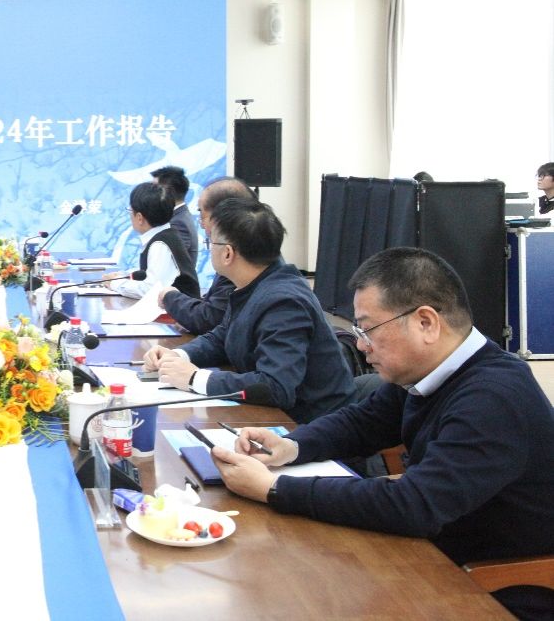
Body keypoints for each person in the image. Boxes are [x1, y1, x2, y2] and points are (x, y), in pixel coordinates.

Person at [211, 247, 554, 621]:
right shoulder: (432, 371)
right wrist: (291, 445)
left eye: (367, 329)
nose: (361, 345)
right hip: (432, 551)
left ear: (426, 322)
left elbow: (415, 505)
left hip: (497, 585)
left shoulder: (493, 397)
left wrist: (273, 488)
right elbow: (364, 422)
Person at [143, 197, 355, 423]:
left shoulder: (284, 302)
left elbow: (276, 386)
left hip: (311, 425)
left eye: (210, 242)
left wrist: (195, 378)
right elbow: (222, 337)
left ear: (227, 253)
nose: (209, 248)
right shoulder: (254, 284)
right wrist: (178, 355)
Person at [156, 177, 256, 334]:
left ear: (224, 216)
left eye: (201, 214)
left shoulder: (242, 259)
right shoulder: (240, 248)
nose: (201, 224)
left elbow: (209, 320)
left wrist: (170, 297)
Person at [108, 183, 199, 300]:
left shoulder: (160, 244)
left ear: (139, 218)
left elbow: (150, 290)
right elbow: (150, 274)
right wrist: (124, 276)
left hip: (180, 310)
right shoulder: (164, 235)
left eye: (130, 210)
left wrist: (114, 283)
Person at [151, 164, 198, 269]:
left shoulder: (178, 223)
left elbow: (169, 265)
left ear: (169, 192)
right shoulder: (179, 216)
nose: (150, 194)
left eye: (154, 189)